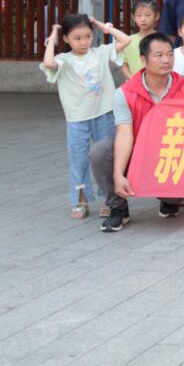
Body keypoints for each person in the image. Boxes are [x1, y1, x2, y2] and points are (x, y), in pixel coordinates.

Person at [90, 33, 184, 232]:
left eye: (170, 54)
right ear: (144, 60)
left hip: (171, 157)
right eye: (159, 55)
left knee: (176, 194)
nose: (166, 60)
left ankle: (170, 200)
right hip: (138, 154)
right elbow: (124, 134)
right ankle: (118, 208)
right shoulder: (125, 93)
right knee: (100, 151)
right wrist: (118, 174)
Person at [42, 14, 131, 219]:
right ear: (66, 39)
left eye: (88, 36)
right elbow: (48, 62)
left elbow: (126, 39)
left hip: (104, 113)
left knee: (108, 158)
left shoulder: (100, 53)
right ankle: (80, 201)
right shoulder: (64, 60)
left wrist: (100, 25)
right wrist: (53, 36)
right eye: (77, 38)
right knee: (78, 160)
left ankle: (111, 200)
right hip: (77, 117)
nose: (83, 42)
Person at [121, 0, 159, 80]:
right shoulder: (128, 41)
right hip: (133, 83)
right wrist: (132, 79)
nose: (143, 19)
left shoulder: (162, 40)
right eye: (139, 15)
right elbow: (124, 65)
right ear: (134, 18)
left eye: (147, 15)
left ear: (156, 16)